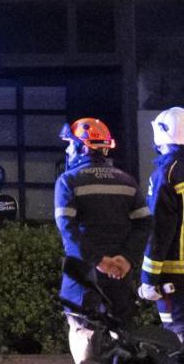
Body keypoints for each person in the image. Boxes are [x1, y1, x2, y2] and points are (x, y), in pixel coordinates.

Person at [55, 117, 151, 364]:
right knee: (124, 344)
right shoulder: (127, 182)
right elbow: (144, 224)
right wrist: (126, 259)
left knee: (85, 338)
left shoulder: (68, 181)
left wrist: (98, 261)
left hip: (83, 279)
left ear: (82, 147)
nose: (68, 149)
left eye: (71, 144)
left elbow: (68, 229)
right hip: (120, 278)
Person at [140, 107, 184, 347]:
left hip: (176, 278)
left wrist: (149, 279)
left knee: (177, 340)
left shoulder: (166, 174)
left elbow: (159, 230)